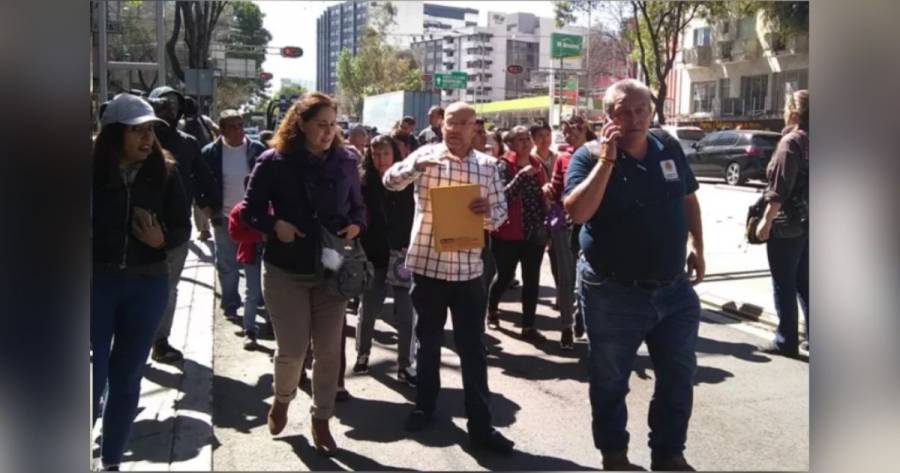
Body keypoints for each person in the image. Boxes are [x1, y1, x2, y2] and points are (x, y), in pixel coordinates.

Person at [564, 79, 705, 471]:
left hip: (673, 290)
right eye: (624, 111)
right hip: (612, 292)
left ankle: (668, 453)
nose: (634, 118)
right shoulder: (588, 157)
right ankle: (615, 455)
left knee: (679, 376)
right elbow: (576, 213)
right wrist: (608, 161)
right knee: (611, 382)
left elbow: (689, 198)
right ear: (607, 117)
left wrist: (698, 246)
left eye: (641, 109)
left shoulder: (668, 146)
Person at [383, 101, 515, 455]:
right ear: (442, 126)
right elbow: (389, 181)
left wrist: (487, 213)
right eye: (449, 124)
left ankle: (481, 426)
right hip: (427, 267)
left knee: (473, 350)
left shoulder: (488, 167)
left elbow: (500, 215)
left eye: (462, 124)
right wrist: (414, 165)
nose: (454, 130)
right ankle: (425, 407)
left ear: (475, 128)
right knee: (427, 344)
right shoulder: (425, 156)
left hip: (469, 271)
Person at [241, 91, 366, 455]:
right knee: (293, 349)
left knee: (329, 352)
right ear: (301, 124)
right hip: (285, 269)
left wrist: (357, 226)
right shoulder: (273, 161)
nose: (328, 133)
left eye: (333, 125)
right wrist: (274, 223)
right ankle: (282, 398)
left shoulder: (345, 161)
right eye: (320, 125)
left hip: (331, 269)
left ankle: (321, 419)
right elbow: (248, 212)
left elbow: (359, 208)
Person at [91, 93, 191, 471]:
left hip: (146, 285)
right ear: (115, 134)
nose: (147, 138)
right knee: (91, 372)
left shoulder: (166, 171)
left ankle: (111, 461)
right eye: (137, 131)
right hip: (95, 284)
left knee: (127, 375)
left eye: (150, 130)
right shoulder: (89, 169)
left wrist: (160, 239)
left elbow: (182, 227)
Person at [147, 86, 220, 364]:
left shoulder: (188, 143)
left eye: (172, 106)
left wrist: (210, 206)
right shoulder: (135, 138)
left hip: (176, 231)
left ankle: (159, 340)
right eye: (161, 105)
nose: (167, 111)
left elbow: (204, 177)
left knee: (168, 287)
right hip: (136, 230)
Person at [353, 134, 417, 385]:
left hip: (403, 256)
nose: (381, 159)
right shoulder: (363, 182)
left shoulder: (408, 181)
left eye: (386, 154)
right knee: (368, 310)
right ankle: (363, 354)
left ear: (395, 155)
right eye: (376, 154)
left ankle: (405, 365)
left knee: (406, 313)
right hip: (373, 256)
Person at [201, 109, 268, 345]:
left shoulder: (257, 150)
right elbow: (199, 181)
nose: (238, 130)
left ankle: (256, 301)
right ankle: (231, 303)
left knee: (254, 265)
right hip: (224, 217)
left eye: (240, 125)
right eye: (232, 126)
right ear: (222, 130)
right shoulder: (210, 153)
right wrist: (206, 207)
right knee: (227, 264)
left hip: (253, 220)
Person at [754, 89, 810, 358]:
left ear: (794, 112)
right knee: (806, 282)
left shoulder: (791, 143)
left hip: (788, 224)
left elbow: (780, 188)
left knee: (784, 281)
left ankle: (786, 339)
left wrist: (766, 220)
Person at [487, 126, 548, 340]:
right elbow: (501, 197)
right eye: (520, 140)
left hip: (535, 231)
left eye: (527, 139)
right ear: (511, 144)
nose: (525, 143)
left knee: (532, 280)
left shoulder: (537, 164)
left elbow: (544, 193)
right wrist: (521, 177)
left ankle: (528, 325)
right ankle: (492, 309)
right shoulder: (503, 165)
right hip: (509, 234)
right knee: (504, 276)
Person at [549, 114, 596, 343]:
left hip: (593, 226)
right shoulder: (562, 158)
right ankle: (566, 325)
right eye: (565, 131)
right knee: (566, 277)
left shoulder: (599, 153)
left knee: (588, 277)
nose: (569, 135)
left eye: (574, 130)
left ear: (585, 128)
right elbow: (556, 188)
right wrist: (549, 190)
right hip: (566, 225)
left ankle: (583, 316)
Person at [180, 96, 220, 242]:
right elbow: (218, 130)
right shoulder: (204, 119)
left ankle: (201, 229)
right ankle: (208, 225)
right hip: (205, 159)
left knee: (192, 194)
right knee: (203, 193)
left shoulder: (181, 123)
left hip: (188, 162)